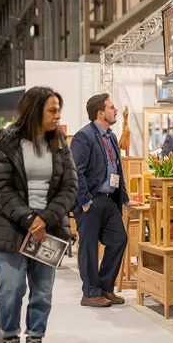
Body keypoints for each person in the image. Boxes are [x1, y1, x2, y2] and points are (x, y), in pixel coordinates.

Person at [0, 86, 77, 343]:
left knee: (42, 292)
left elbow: (70, 187)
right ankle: (10, 342)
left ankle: (35, 342)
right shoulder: (6, 144)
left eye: (58, 109)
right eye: (52, 110)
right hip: (12, 228)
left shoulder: (60, 144)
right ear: (34, 110)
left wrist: (45, 218)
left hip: (47, 231)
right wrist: (28, 219)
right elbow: (0, 189)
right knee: (11, 288)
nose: (57, 115)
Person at [71, 93, 134, 308]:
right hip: (91, 201)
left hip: (110, 200)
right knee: (88, 247)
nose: (116, 110)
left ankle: (105, 287)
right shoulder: (84, 136)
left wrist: (124, 198)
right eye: (112, 107)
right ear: (100, 113)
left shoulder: (111, 137)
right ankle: (90, 292)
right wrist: (86, 201)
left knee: (119, 239)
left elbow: (118, 170)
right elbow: (75, 172)